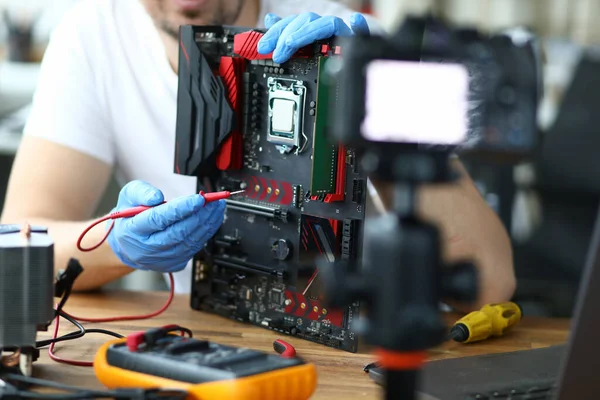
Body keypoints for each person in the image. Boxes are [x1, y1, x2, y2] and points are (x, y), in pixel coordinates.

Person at [0, 0, 514, 309]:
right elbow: (18, 245)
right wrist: (115, 244)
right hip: (203, 348)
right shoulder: (93, 38)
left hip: (355, 355)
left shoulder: (352, 39)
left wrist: (379, 102)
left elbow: (491, 279)